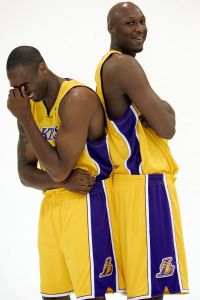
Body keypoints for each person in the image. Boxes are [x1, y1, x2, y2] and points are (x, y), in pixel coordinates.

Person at [7, 46, 119, 300]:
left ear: (42, 68)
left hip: (87, 202)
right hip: (53, 204)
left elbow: (58, 169)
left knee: (90, 294)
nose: (21, 93)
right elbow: (24, 174)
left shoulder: (77, 99)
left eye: (25, 84)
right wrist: (64, 182)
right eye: (15, 88)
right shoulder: (30, 107)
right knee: (53, 295)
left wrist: (25, 118)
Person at [95, 2, 189, 300]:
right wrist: (165, 108)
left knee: (141, 286)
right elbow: (168, 127)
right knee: (151, 289)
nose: (139, 29)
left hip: (128, 187)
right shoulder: (123, 65)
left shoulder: (107, 65)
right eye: (129, 24)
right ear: (111, 29)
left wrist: (161, 109)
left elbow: (160, 117)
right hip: (145, 188)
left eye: (142, 21)